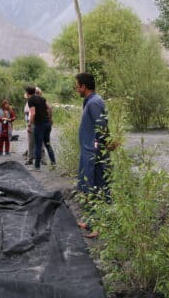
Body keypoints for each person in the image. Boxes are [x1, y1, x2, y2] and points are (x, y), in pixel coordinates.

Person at [75, 73, 110, 238]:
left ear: (83, 86)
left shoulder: (94, 102)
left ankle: (100, 227)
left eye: (77, 85)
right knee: (88, 187)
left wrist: (98, 151)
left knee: (97, 188)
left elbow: (101, 128)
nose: (76, 88)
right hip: (88, 152)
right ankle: (91, 222)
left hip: (93, 154)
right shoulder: (89, 102)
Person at [26, 86, 56, 171]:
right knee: (47, 144)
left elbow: (33, 113)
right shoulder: (42, 98)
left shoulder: (30, 100)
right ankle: (53, 163)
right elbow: (49, 108)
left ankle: (37, 167)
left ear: (28, 93)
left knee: (38, 145)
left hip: (39, 124)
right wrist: (50, 119)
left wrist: (29, 125)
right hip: (47, 124)